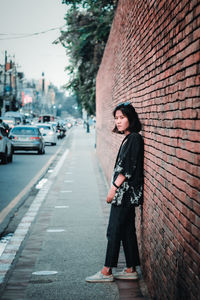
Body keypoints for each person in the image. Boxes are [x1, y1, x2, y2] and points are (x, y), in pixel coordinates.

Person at [86, 102, 144, 283]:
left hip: (124, 194)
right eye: (116, 118)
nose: (118, 122)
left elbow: (127, 168)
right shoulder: (129, 138)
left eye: (122, 118)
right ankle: (130, 269)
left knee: (113, 231)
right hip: (125, 194)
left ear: (131, 119)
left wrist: (113, 189)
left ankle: (106, 272)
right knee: (127, 230)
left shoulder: (134, 138)